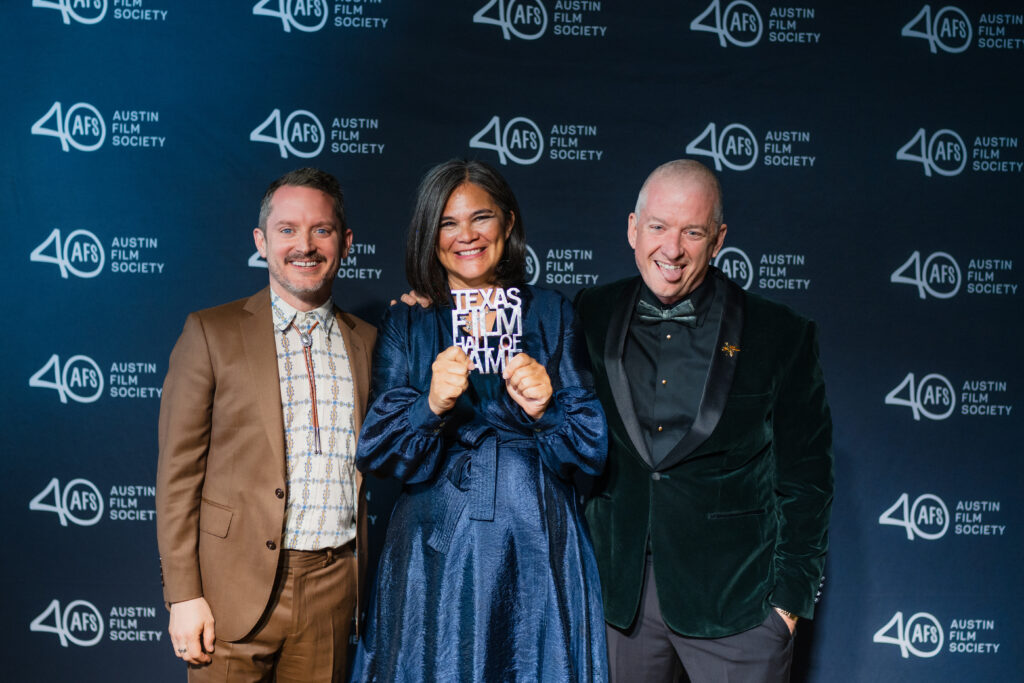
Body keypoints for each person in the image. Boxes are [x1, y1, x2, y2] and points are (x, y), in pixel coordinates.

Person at [576, 159, 833, 683]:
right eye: (658, 227)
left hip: (737, 604)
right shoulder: (589, 312)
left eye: (692, 232)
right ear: (632, 228)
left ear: (718, 240)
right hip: (617, 602)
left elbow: (808, 481)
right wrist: (431, 308)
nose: (672, 250)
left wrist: (788, 604)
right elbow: (511, 344)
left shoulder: (780, 333)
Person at [351, 159, 609, 682]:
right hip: (434, 552)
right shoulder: (408, 320)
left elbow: (591, 450)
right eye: (447, 223)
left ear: (508, 223)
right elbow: (376, 450)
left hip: (536, 539)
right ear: (430, 235)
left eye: (481, 218)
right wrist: (429, 406)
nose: (465, 236)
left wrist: (547, 410)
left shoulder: (553, 312)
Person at [156, 167, 377, 681]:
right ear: (261, 241)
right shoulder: (211, 332)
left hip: (332, 592)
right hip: (228, 592)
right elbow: (177, 478)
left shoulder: (369, 341)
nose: (305, 245)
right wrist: (183, 595)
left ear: (345, 243)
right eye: (287, 229)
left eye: (321, 230)